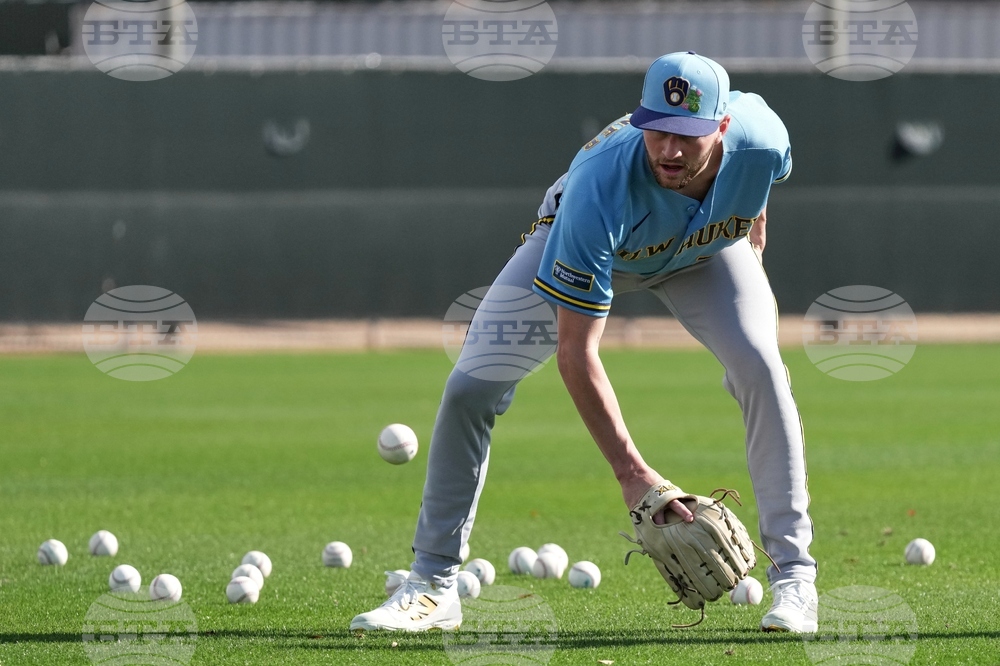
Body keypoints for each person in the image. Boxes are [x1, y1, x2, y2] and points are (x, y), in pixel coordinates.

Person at [350, 51, 818, 634]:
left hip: (702, 252)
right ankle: (433, 584)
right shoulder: (600, 186)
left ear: (721, 127)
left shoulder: (763, 140)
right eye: (658, 130)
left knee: (763, 368)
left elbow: (758, 190)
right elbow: (577, 352)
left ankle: (796, 579)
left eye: (688, 135)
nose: (669, 150)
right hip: (593, 242)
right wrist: (633, 473)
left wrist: (752, 272)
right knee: (472, 385)